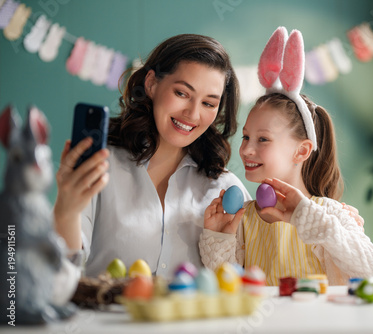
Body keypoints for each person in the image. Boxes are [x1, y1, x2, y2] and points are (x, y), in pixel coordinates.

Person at [199, 27, 373, 285]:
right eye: (246, 137)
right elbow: (226, 287)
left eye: (262, 139)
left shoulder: (330, 215)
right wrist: (218, 236)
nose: (246, 149)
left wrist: (307, 217)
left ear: (302, 151)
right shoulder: (245, 217)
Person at [53, 34, 251, 279]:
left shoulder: (225, 189)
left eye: (209, 104)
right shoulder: (101, 166)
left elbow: (247, 282)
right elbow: (61, 271)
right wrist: (65, 212)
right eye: (182, 93)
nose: (192, 113)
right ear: (151, 84)